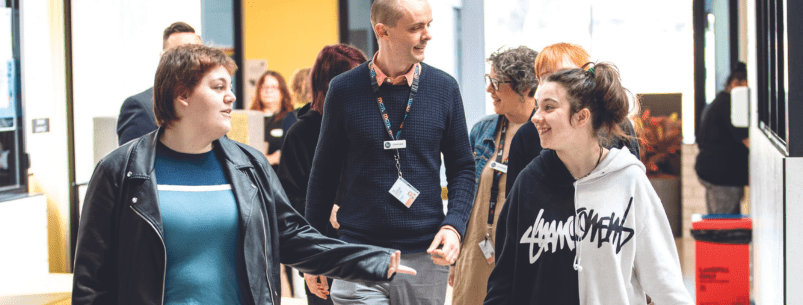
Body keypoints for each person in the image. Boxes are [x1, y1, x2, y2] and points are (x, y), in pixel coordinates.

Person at [72, 44, 415, 305]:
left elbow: (294, 238)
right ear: (182, 95)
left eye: (230, 86)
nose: (231, 96)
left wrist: (372, 260)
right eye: (218, 87)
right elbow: (91, 279)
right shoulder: (121, 171)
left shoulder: (248, 166)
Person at [304, 0, 475, 303]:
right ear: (382, 31)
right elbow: (323, 175)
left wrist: (454, 226)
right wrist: (312, 253)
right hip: (357, 253)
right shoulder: (343, 90)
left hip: (426, 255)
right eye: (415, 27)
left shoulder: (445, 88)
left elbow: (463, 166)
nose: (427, 35)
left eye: (429, 25)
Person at [484, 62, 692, 304]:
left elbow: (664, 281)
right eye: (537, 107)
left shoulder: (629, 181)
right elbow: (504, 279)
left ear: (581, 116)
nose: (536, 118)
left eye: (549, 107)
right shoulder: (529, 182)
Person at [277, 44, 368, 304]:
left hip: (370, 247)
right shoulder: (302, 133)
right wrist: (324, 208)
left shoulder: (370, 126)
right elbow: (288, 199)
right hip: (325, 250)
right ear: (328, 85)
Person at [450, 46, 538, 305]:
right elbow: (463, 191)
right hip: (476, 250)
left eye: (497, 83)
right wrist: (455, 257)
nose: (490, 89)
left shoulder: (545, 134)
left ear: (523, 88)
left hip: (520, 254)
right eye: (490, 81)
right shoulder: (482, 130)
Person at [505, 42, 640, 195]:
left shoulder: (615, 126)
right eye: (547, 77)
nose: (555, 84)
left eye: (564, 74)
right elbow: (515, 205)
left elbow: (633, 190)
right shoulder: (526, 135)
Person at [116, 21, 202, 145]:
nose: (193, 59)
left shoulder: (208, 104)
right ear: (163, 58)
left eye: (199, 52)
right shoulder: (140, 106)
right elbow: (133, 161)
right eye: (182, 53)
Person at [695, 62, 749, 214]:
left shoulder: (721, 101)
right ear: (735, 84)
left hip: (716, 173)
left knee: (720, 224)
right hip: (721, 176)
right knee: (723, 227)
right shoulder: (730, 104)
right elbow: (747, 140)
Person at [249, 70, 297, 170]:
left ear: (282, 92)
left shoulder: (291, 119)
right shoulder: (250, 119)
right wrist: (269, 159)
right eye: (264, 87)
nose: (268, 91)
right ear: (259, 91)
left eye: (274, 87)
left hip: (280, 179)